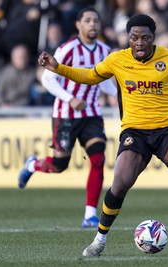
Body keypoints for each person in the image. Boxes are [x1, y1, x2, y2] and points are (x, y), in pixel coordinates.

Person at [38, 13, 168, 257]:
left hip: (167, 128)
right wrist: (58, 68)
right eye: (134, 37)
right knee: (120, 183)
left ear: (153, 38)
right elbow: (90, 76)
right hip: (135, 131)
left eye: (145, 37)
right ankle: (99, 239)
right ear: (128, 38)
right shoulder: (116, 60)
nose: (140, 42)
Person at [18, 7, 117, 229]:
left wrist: (123, 94)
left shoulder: (104, 50)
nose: (93, 24)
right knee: (60, 164)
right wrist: (70, 98)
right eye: (88, 21)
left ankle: (90, 214)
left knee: (98, 159)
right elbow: (47, 79)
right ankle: (33, 165)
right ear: (78, 25)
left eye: (96, 21)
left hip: (92, 114)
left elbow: (104, 82)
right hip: (66, 115)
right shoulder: (68, 49)